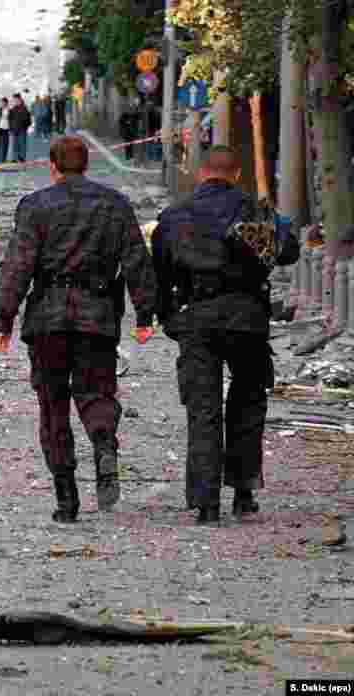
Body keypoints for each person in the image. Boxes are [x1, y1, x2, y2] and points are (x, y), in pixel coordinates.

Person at [0, 135, 158, 523]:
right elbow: (137, 261)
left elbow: (18, 266)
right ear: (87, 164)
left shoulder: (34, 207)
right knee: (97, 391)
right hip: (97, 319)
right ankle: (103, 443)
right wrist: (146, 316)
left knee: (53, 406)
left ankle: (66, 499)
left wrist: (4, 318)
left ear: (52, 166)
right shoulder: (114, 205)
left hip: (47, 321)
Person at [150, 146, 300, 524]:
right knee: (248, 402)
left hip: (197, 318)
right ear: (235, 174)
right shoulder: (257, 211)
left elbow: (159, 274)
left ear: (201, 174)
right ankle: (244, 490)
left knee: (203, 409)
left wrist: (168, 317)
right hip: (247, 317)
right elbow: (289, 251)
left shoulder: (174, 216)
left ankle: (205, 503)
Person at [9, 94, 32, 163]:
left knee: (22, 144)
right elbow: (10, 119)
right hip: (14, 129)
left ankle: (22, 157)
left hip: (22, 129)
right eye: (14, 100)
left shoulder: (24, 108)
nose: (15, 101)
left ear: (20, 100)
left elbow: (28, 120)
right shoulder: (13, 109)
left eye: (17, 100)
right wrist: (11, 128)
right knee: (15, 144)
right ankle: (15, 157)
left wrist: (25, 126)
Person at [0, 97, 12, 163]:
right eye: (1, 102)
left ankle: (3, 158)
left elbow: (12, 119)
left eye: (3, 102)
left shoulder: (10, 111)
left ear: (6, 103)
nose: (2, 104)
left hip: (6, 129)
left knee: (5, 144)